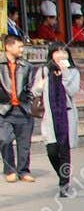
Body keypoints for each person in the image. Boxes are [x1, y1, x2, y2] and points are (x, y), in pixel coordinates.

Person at [0, 35, 40, 182]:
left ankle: (23, 171)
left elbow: (30, 87)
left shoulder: (27, 66)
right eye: (19, 46)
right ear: (8, 47)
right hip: (3, 109)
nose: (22, 49)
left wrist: (28, 102)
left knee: (24, 143)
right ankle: (9, 170)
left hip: (22, 109)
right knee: (4, 140)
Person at [39, 45, 78, 196]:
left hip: (66, 116)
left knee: (64, 151)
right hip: (50, 116)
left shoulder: (73, 72)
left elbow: (72, 90)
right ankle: (62, 175)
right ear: (51, 54)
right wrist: (40, 85)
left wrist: (65, 74)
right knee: (52, 150)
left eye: (64, 53)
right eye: (57, 52)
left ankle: (64, 183)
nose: (61, 55)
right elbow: (35, 90)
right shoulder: (44, 71)